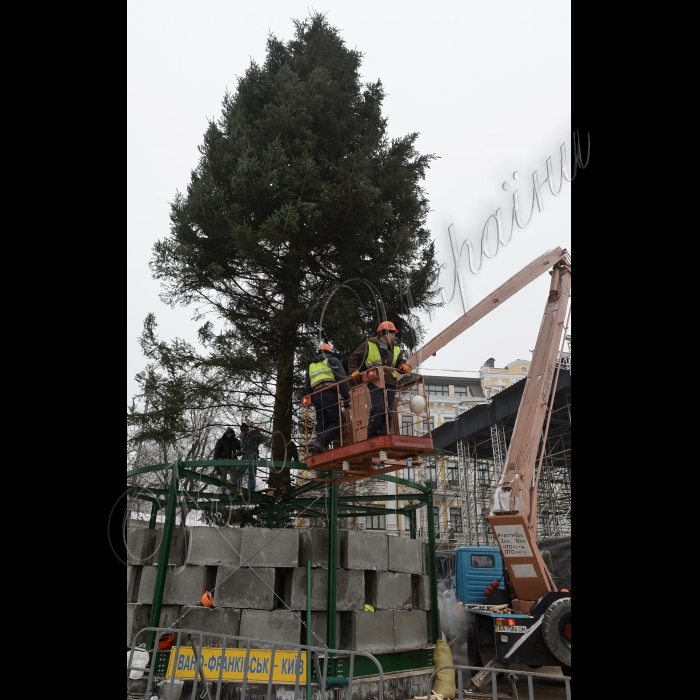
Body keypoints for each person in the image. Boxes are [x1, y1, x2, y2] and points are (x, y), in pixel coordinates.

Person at [347, 321, 412, 438]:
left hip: (391, 382)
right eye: (391, 333)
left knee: (388, 411)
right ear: (384, 333)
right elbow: (353, 357)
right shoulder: (369, 344)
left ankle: (384, 434)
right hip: (375, 380)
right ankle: (371, 435)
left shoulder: (396, 347)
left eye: (394, 334)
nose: (393, 336)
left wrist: (402, 365)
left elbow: (399, 361)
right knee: (378, 407)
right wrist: (353, 371)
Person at [305, 342, 350, 455]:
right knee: (338, 422)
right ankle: (320, 443)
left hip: (317, 396)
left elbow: (308, 385)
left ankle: (318, 448)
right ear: (330, 352)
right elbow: (341, 379)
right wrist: (346, 398)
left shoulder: (311, 366)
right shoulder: (333, 360)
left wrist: (312, 398)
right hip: (329, 393)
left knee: (322, 424)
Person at [238, 423, 265, 491]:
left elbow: (260, 438)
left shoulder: (253, 434)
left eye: (242, 430)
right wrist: (239, 453)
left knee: (252, 473)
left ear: (245, 430)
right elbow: (243, 448)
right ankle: (236, 488)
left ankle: (251, 490)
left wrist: (258, 432)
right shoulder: (243, 437)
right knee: (239, 471)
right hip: (245, 455)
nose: (242, 432)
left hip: (253, 455)